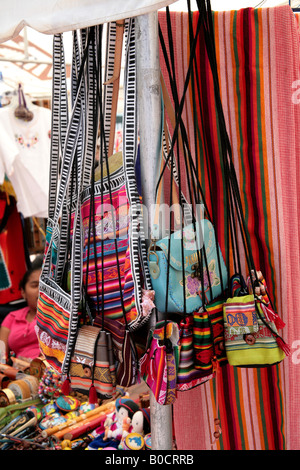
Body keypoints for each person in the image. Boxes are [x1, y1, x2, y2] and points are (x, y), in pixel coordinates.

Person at [0, 255, 43, 363]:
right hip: (17, 373)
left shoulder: (58, 315)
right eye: (35, 285)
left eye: (45, 285)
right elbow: (1, 355)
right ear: (23, 293)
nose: (40, 290)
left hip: (49, 373)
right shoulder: (12, 317)